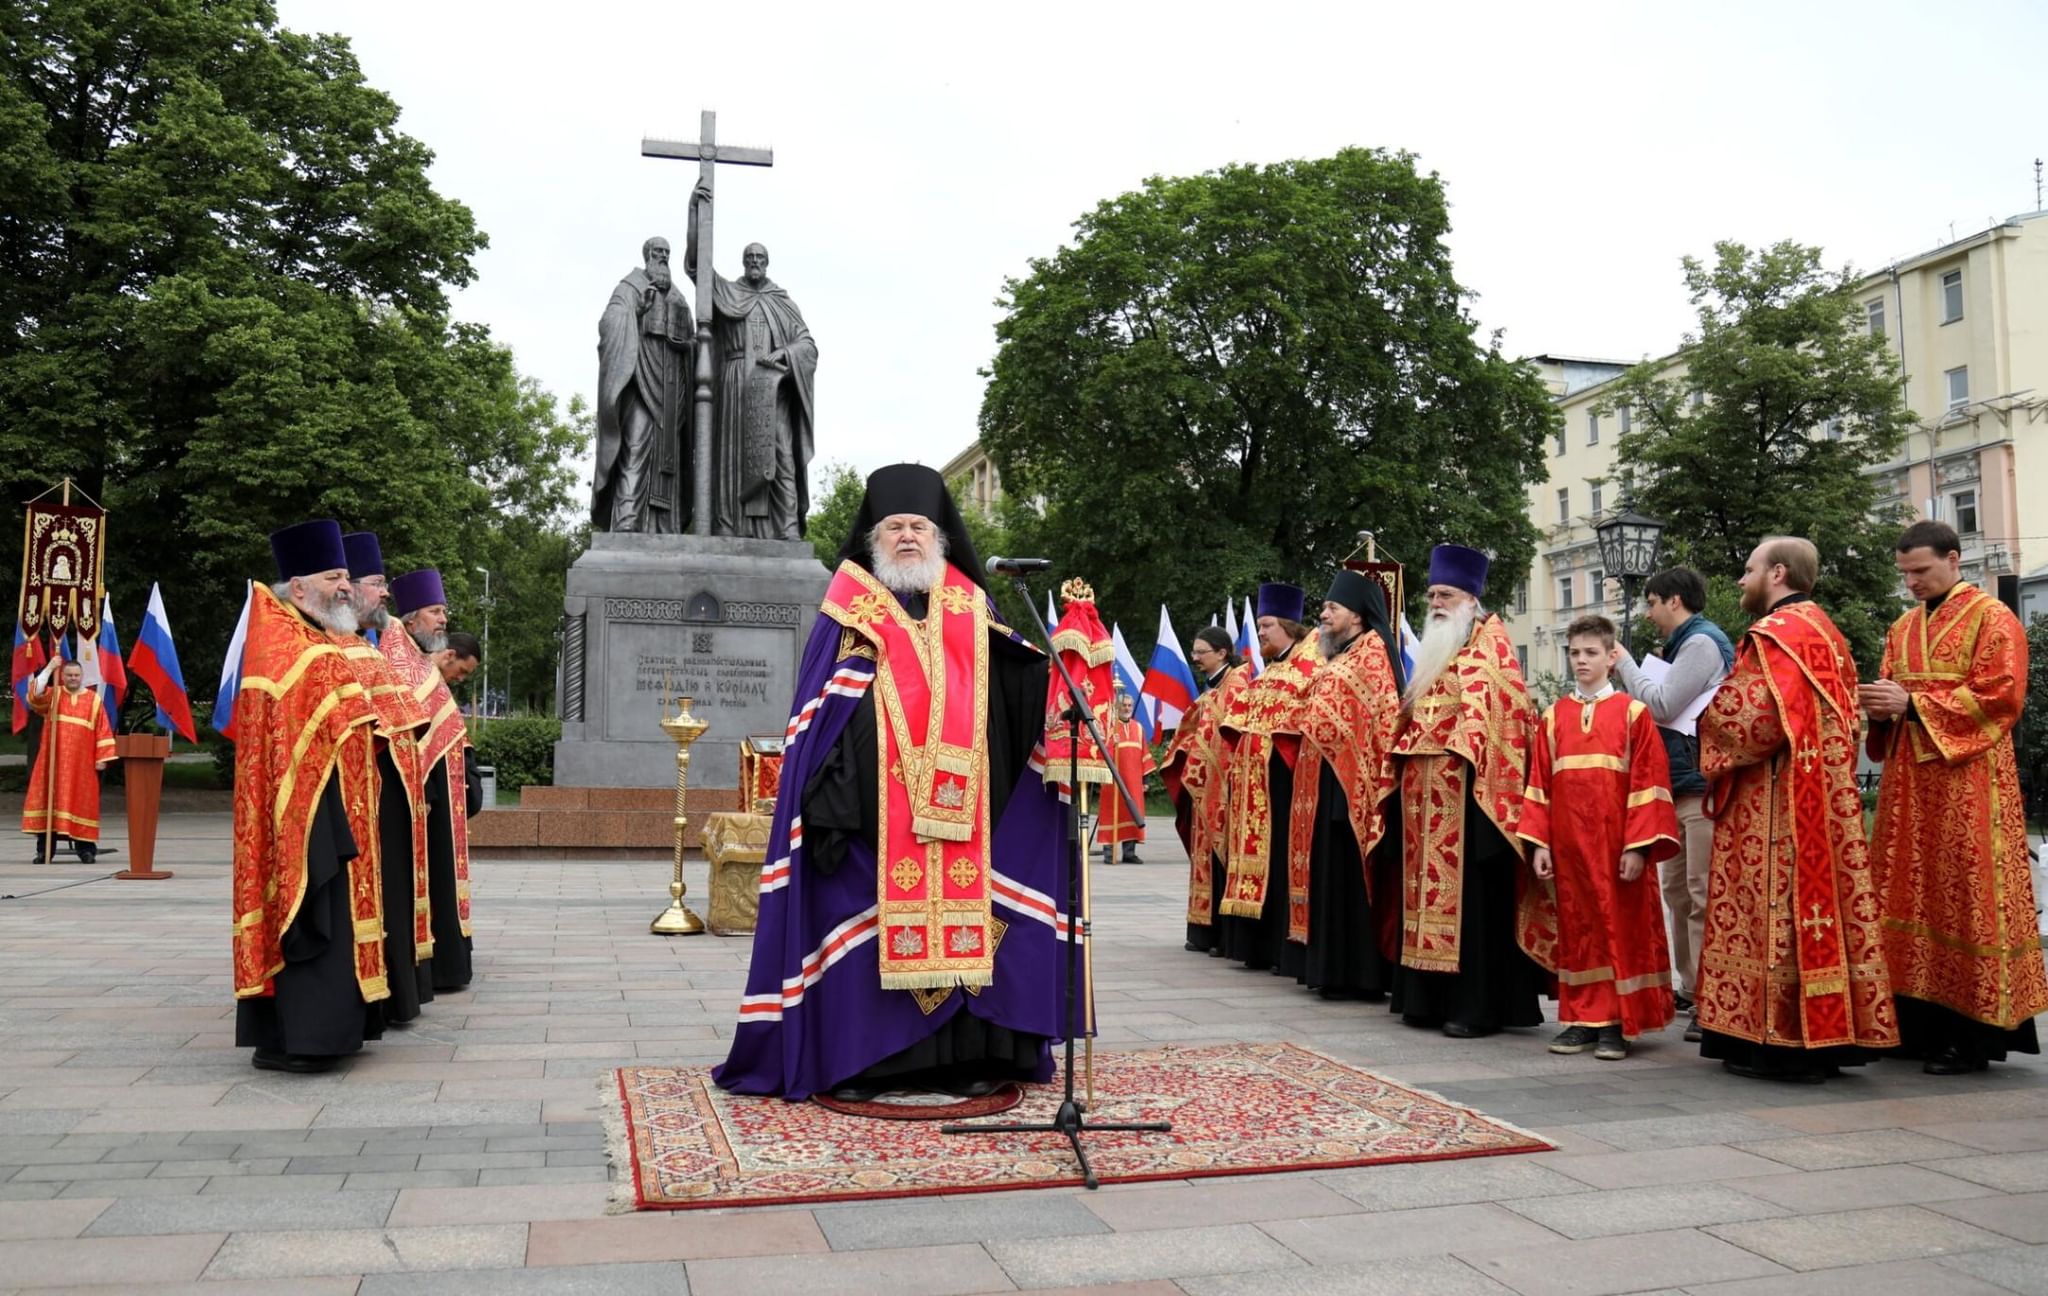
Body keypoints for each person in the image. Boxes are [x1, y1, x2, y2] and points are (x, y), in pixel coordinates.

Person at [714, 464, 1069, 1101]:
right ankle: (864, 1063)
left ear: (942, 537)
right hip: (869, 812)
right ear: (873, 537)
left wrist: (1061, 683)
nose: (908, 537)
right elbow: (821, 706)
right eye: (895, 527)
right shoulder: (847, 606)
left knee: (973, 918)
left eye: (919, 527)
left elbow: (1011, 685)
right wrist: (837, 786)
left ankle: (970, 1057)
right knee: (864, 921)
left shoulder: (971, 604)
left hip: (969, 814)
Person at [1697, 536, 1897, 1082]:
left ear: (1777, 573)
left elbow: (1752, 723)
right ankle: (1826, 1037)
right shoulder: (1828, 635)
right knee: (1819, 909)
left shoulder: (1776, 636)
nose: (1741, 580)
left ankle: (1780, 1041)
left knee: (1776, 910)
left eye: (1748, 568)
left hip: (1777, 805)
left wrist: (1706, 718)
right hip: (1825, 803)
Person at [1862, 520, 2046, 1074]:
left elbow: (2002, 696)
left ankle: (1971, 1037)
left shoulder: (1995, 619)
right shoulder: (1901, 627)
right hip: (1908, 787)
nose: (1912, 582)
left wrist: (1912, 705)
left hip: (1969, 784)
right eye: (1906, 574)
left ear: (1953, 558)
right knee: (1905, 893)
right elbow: (1891, 693)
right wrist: (1878, 708)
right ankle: (1913, 1026)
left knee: (1966, 895)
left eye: (1920, 570)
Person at [232, 520, 388, 1073]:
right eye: (335, 576)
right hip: (309, 812)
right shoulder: (288, 644)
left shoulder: (311, 638)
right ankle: (307, 1036)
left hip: (331, 802)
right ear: (298, 588)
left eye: (348, 576)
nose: (346, 587)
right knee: (308, 912)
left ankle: (323, 1030)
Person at [1390, 544, 1550, 1039]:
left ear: (1471, 599)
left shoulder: (1491, 650)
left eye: (1447, 594)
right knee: (1423, 899)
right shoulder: (1438, 652)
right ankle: (1425, 998)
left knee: (1472, 907)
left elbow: (1502, 721)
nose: (1436, 602)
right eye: (1432, 594)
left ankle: (1474, 1007)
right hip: (1426, 801)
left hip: (1470, 802)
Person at [1521, 615, 1680, 1062]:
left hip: (1617, 849)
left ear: (1612, 657)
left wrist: (1637, 847)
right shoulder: (1553, 718)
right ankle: (1580, 1019)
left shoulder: (1633, 714)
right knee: (1579, 931)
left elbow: (1649, 784)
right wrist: (1540, 844)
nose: (1581, 661)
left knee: (1620, 929)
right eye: (1574, 653)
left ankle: (1617, 1022)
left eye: (1591, 653)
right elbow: (1539, 785)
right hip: (1569, 849)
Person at [1613, 566, 1732, 1043]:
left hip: (1699, 787)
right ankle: (1689, 985)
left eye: (1652, 603)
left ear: (1674, 601)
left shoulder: (1702, 643)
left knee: (1700, 892)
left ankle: (1709, 998)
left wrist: (1625, 664)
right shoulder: (1685, 643)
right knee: (1678, 893)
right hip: (1679, 783)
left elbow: (1661, 705)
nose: (1648, 612)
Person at [1287, 570, 1403, 1000]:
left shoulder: (1371, 654)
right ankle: (1331, 970)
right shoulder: (1342, 656)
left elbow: (1379, 723)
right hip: (1325, 788)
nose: (1323, 614)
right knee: (1330, 879)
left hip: (1351, 790)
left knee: (1349, 880)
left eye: (1332, 608)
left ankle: (1358, 974)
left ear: (1355, 616)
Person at [340, 531, 435, 1023]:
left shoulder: (372, 646)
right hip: (360, 800)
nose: (386, 593)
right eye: (376, 583)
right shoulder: (342, 648)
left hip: (389, 792)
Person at [687, 182, 819, 540]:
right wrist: (695, 215)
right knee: (731, 456)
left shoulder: (781, 301)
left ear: (767, 263)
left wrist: (786, 354)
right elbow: (699, 270)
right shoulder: (730, 291)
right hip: (735, 385)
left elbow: (807, 344)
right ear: (744, 263)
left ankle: (786, 527)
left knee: (779, 455)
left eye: (760, 258)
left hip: (772, 388)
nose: (755, 263)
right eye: (750, 259)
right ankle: (728, 527)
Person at [1217, 583, 1321, 977]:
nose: (1259, 633)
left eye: (1266, 625)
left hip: (1282, 784)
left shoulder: (1310, 668)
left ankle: (1280, 947)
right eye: (1259, 626)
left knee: (1279, 864)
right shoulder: (1270, 671)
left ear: (1290, 627)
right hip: (1253, 785)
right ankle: (1255, 947)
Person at [384, 569, 475, 992]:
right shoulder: (396, 656)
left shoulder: (420, 661)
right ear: (410, 619)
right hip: (418, 791)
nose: (443, 619)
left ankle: (445, 963)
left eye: (443, 612)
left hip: (438, 794)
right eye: (435, 611)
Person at [593, 235, 694, 533]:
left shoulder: (678, 298)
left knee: (669, 461)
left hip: (671, 386)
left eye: (667, 253)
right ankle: (627, 521)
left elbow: (691, 338)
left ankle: (665, 527)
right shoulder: (629, 288)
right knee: (636, 447)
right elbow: (609, 324)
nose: (663, 257)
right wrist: (637, 311)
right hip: (640, 381)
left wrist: (687, 345)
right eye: (658, 252)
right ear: (647, 254)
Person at [1162, 626, 1251, 954]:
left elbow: (1227, 738)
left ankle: (1220, 934)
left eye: (1201, 652)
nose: (1195, 657)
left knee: (1220, 856)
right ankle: (1202, 930)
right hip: (1203, 784)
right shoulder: (1214, 687)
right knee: (1204, 857)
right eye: (1195, 651)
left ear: (1222, 653)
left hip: (1224, 786)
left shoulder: (1237, 684)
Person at [22, 659, 115, 864]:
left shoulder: (93, 700)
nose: (73, 678)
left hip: (82, 767)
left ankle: (86, 850)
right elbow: (34, 694)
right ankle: (44, 851)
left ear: (81, 676)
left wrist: (102, 757)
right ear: (63, 676)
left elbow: (103, 730)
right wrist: (49, 669)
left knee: (82, 804)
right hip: (53, 765)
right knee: (50, 803)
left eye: (76, 675)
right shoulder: (53, 696)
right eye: (69, 675)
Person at [1094, 689, 1154, 865]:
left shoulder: (1139, 728)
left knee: (1132, 814)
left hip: (1134, 782)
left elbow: (1145, 756)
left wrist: (1146, 781)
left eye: (1129, 705)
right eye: (1123, 706)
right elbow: (1100, 753)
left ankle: (1129, 853)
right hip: (1113, 782)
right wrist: (1111, 742)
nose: (1127, 708)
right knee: (1111, 814)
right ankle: (1109, 853)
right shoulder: (1110, 728)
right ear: (1117, 707)